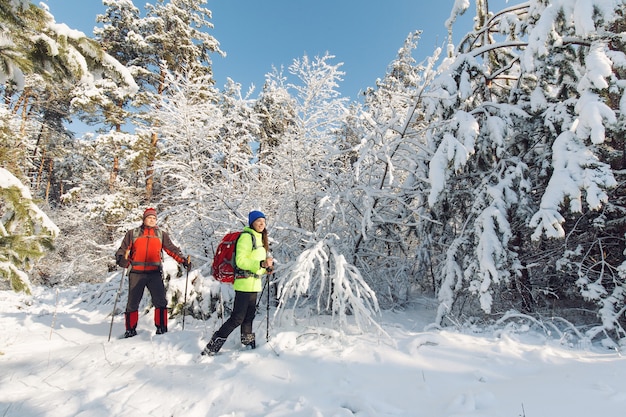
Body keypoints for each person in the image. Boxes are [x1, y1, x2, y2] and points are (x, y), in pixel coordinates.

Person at [202, 210, 273, 355]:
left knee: (249, 316)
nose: (261, 224)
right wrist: (261, 264)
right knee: (237, 318)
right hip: (244, 283)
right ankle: (212, 346)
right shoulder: (247, 237)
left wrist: (265, 268)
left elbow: (256, 263)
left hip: (253, 283)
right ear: (252, 222)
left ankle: (248, 344)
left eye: (263, 221)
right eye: (258, 221)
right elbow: (241, 261)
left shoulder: (259, 238)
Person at [115, 207, 191, 338]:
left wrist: (183, 261)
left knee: (160, 301)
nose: (152, 220)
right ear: (144, 219)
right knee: (132, 303)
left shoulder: (161, 235)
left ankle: (162, 328)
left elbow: (172, 249)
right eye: (149, 218)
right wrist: (122, 260)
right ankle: (130, 330)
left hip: (154, 273)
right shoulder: (133, 233)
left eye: (154, 218)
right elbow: (122, 250)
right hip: (136, 273)